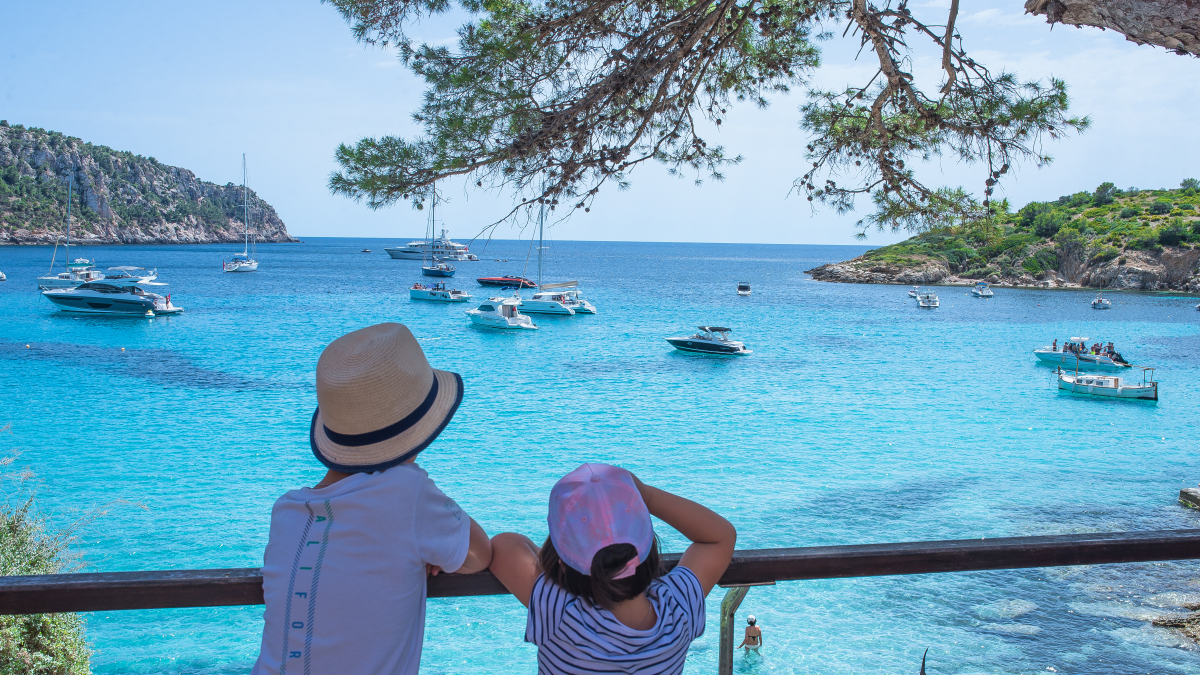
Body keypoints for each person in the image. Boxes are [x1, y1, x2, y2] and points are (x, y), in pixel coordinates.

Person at [252, 323, 492, 675]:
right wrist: (431, 550)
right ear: (419, 434)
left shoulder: (286, 510)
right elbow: (479, 554)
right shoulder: (407, 491)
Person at [488, 463, 737, 674]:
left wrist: (561, 560)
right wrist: (646, 495)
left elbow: (504, 546)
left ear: (562, 565)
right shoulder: (677, 610)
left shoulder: (560, 613)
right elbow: (720, 538)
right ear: (650, 550)